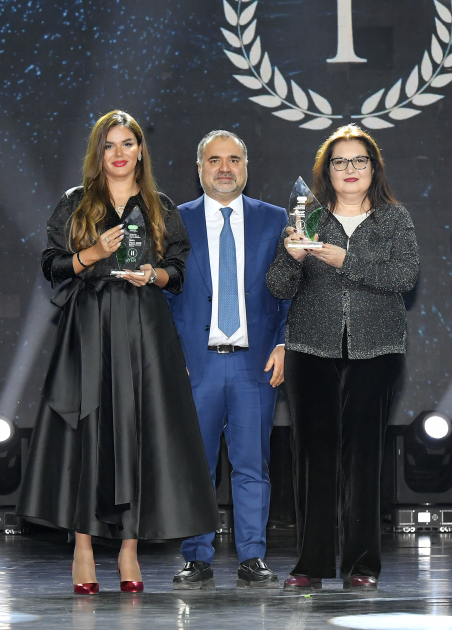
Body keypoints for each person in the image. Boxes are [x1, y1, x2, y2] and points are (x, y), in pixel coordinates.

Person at [15, 110, 221, 594]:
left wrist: (154, 275)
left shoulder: (159, 206)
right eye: (109, 145)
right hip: (89, 324)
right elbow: (52, 265)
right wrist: (93, 254)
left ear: (141, 150)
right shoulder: (76, 203)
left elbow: (178, 270)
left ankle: (130, 550)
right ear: (98, 153)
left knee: (138, 430)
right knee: (87, 432)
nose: (119, 153)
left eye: (128, 143)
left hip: (144, 327)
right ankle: (83, 549)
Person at [266, 124, 419, 591]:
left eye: (359, 161)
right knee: (312, 457)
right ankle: (310, 564)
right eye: (340, 162)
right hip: (310, 349)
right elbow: (278, 287)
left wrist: (344, 260)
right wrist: (292, 257)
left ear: (374, 168)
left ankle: (362, 565)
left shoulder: (394, 218)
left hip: (377, 350)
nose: (350, 169)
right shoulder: (306, 217)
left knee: (364, 458)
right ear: (326, 171)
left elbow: (405, 276)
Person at [166, 130, 289, 589]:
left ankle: (252, 556)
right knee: (195, 466)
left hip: (253, 365)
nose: (224, 168)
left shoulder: (275, 220)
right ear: (199, 168)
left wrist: (284, 344)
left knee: (252, 465)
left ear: (246, 167)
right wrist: (170, 356)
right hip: (194, 364)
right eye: (214, 160)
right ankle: (196, 557)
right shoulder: (174, 221)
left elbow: (291, 289)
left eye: (233, 159)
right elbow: (162, 294)